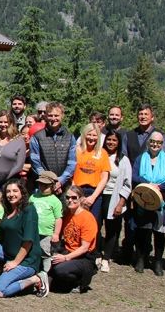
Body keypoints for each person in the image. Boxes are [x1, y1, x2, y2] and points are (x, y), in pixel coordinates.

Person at [131, 131, 165, 276]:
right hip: (144, 199)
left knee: (159, 232)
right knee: (143, 231)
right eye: (152, 142)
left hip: (162, 200)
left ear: (162, 144)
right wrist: (148, 184)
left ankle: (158, 261)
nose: (155, 144)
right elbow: (135, 176)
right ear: (148, 143)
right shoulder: (140, 159)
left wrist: (158, 187)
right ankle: (141, 259)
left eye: (158, 142)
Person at [0, 179, 44, 298]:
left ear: (22, 192)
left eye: (15, 191)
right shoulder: (6, 210)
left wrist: (15, 263)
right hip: (8, 254)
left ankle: (34, 279)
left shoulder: (29, 210)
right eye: (8, 192)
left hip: (26, 260)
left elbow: (28, 241)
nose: (11, 194)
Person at [49, 186, 98, 293]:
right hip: (68, 251)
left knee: (59, 270)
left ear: (81, 199)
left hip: (84, 258)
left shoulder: (87, 218)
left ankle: (80, 281)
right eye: (67, 197)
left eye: (74, 197)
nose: (70, 200)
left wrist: (65, 258)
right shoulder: (67, 215)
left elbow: (85, 248)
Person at [73, 123, 111, 257]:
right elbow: (71, 172)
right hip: (77, 191)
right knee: (76, 223)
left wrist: (93, 197)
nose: (91, 138)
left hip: (95, 193)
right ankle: (74, 252)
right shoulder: (76, 150)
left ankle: (91, 255)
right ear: (84, 135)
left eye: (95, 135)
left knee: (93, 225)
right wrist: (77, 194)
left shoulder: (102, 153)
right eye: (89, 134)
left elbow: (104, 177)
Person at [100, 130, 131, 272]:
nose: (111, 142)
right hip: (99, 195)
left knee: (112, 229)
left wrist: (121, 203)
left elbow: (127, 184)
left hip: (113, 197)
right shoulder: (100, 154)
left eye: (114, 140)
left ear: (119, 143)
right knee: (95, 225)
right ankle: (95, 254)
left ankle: (106, 258)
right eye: (109, 140)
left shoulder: (123, 160)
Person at [29, 102, 76, 195]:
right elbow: (35, 162)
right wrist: (49, 181)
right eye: (50, 115)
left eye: (56, 115)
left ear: (62, 116)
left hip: (64, 186)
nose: (53, 118)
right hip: (43, 186)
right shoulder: (37, 137)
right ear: (45, 116)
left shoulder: (70, 137)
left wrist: (60, 181)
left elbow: (72, 163)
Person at [29, 171, 63, 278]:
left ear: (53, 186)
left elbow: (58, 219)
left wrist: (56, 234)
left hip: (47, 234)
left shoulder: (55, 201)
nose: (43, 187)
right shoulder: (33, 197)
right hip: (33, 232)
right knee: (33, 252)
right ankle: (34, 271)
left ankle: (46, 273)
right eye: (41, 184)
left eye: (46, 185)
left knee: (46, 254)